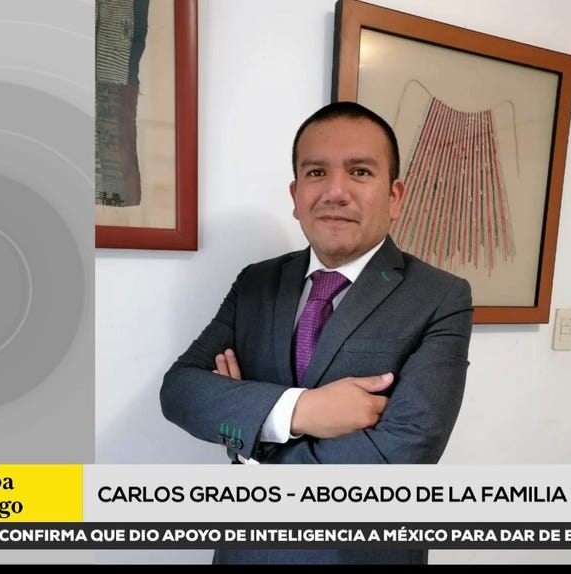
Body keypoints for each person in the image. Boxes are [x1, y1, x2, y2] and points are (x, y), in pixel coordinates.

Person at [160, 101, 473, 564]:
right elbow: (180, 391)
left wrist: (252, 445)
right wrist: (301, 410)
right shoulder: (256, 282)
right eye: (316, 173)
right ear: (295, 194)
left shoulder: (439, 296)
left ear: (395, 196)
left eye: (360, 172)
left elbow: (400, 457)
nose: (335, 192)